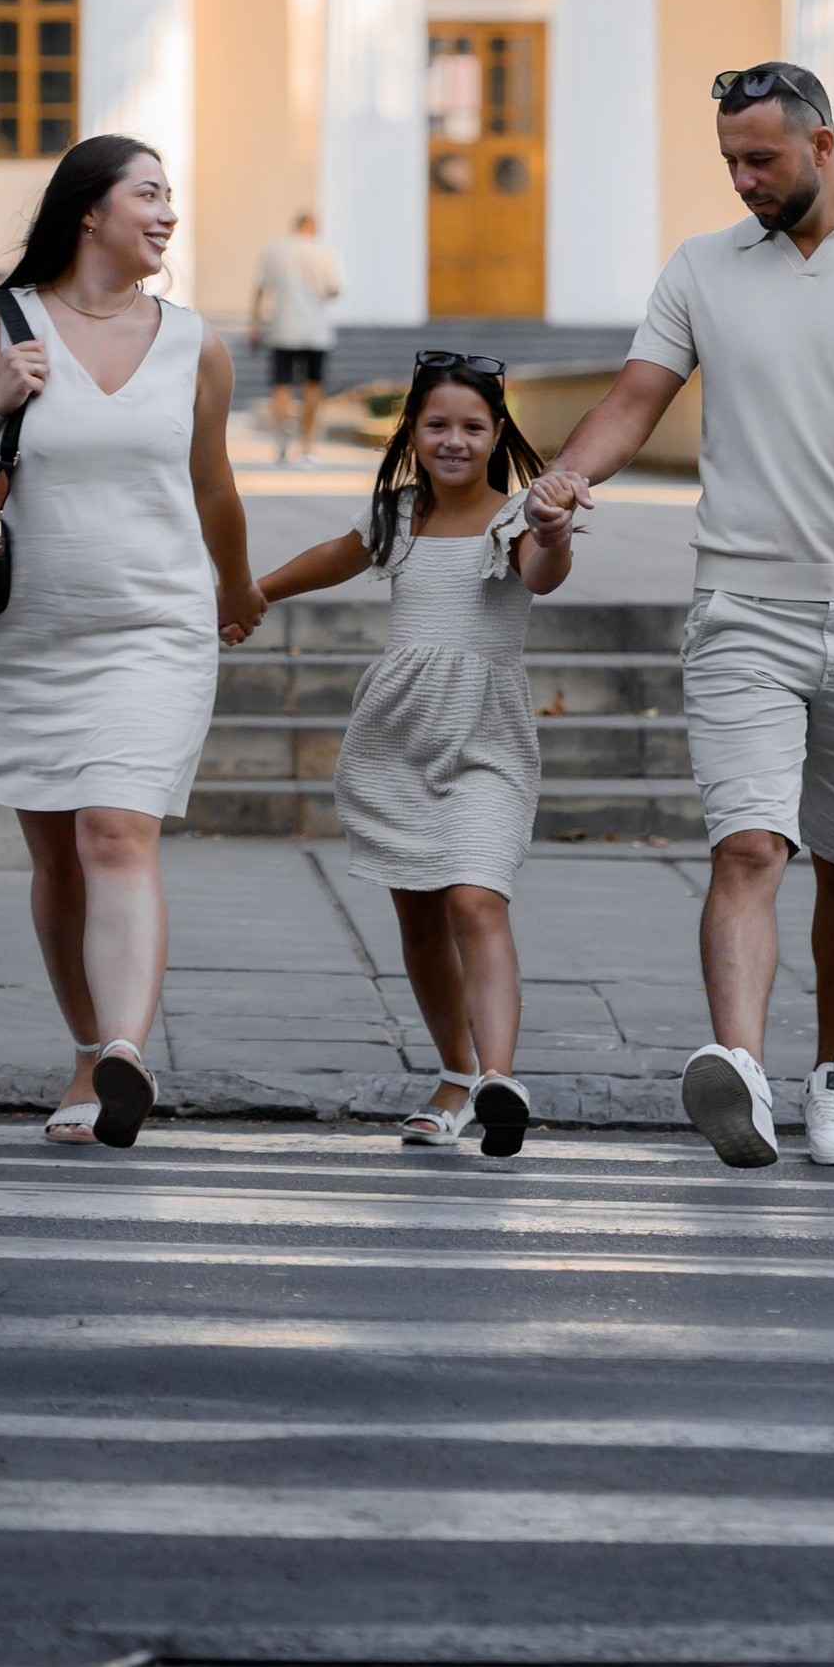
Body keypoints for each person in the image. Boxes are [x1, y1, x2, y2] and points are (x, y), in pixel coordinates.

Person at [527, 63, 834, 1175]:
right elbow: (631, 400)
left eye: (762, 159)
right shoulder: (700, 267)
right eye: (729, 163)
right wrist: (563, 479)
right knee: (749, 843)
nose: (742, 180)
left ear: (822, 144)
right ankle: (739, 1066)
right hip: (743, 606)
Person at [0, 136, 264, 1147]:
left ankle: (126, 1049)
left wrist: (237, 584)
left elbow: (212, 485)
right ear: (87, 211)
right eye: (148, 193)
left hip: (153, 627)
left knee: (115, 831)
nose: (167, 212)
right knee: (57, 857)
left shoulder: (196, 342)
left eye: (170, 196)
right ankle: (90, 1050)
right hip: (24, 635)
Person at [252, 354, 572, 1155]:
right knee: (420, 914)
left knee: (476, 899)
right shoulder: (398, 516)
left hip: (485, 739)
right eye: (437, 425)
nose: (454, 440)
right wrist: (253, 591)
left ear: (498, 432)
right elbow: (337, 553)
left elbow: (543, 573)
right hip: (397, 739)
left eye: (472, 426)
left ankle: (498, 1077)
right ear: (412, 433)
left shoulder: (519, 516)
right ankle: (457, 1075)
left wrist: (555, 530)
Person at [245, 210, 344, 464]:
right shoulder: (324, 252)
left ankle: (283, 436)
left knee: (281, 385)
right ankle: (307, 445)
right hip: (315, 330)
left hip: (283, 328)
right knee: (312, 387)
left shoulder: (275, 250)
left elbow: (260, 288)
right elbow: (334, 289)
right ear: (313, 227)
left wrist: (254, 323)